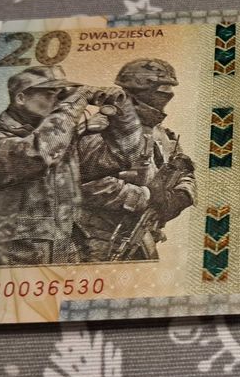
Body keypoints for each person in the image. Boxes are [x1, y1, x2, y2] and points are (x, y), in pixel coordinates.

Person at [0, 65, 141, 267]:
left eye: (64, 94)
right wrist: (74, 104)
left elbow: (122, 156)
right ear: (21, 98)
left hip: (51, 261)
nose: (60, 100)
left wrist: (124, 113)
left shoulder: (60, 144)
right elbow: (36, 155)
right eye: (52, 93)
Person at [76, 58, 196, 261]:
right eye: (161, 88)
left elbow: (184, 170)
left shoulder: (163, 135)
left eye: (169, 88)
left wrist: (181, 196)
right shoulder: (102, 129)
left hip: (141, 239)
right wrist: (147, 196)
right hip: (95, 240)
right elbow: (84, 186)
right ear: (140, 90)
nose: (168, 94)